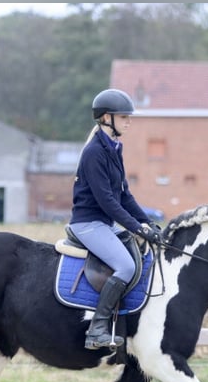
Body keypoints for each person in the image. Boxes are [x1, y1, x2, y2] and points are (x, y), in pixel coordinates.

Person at [69, 88, 162, 350]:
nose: (128, 121)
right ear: (107, 118)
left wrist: (149, 224)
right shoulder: (94, 153)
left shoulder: (114, 148)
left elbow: (124, 195)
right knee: (126, 267)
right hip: (87, 224)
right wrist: (136, 227)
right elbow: (106, 201)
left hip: (104, 224)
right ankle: (97, 328)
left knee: (139, 257)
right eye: (124, 117)